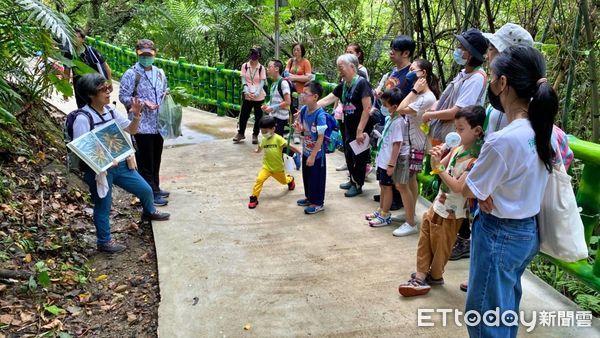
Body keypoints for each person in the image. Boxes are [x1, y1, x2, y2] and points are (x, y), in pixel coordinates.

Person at [462, 45, 558, 337]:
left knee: (483, 317)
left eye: (493, 76)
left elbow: (469, 188)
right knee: (503, 309)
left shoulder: (503, 140)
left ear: (503, 83)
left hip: (499, 233)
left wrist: (476, 183)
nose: (491, 83)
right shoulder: (542, 129)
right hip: (526, 231)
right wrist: (482, 186)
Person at [73, 74, 170, 253]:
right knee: (103, 204)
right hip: (100, 171)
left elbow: (131, 130)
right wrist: (105, 161)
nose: (108, 92)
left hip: (121, 164)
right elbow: (82, 148)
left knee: (145, 189)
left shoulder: (110, 110)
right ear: (90, 95)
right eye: (102, 89)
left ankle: (149, 212)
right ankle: (104, 241)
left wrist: (137, 114)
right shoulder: (83, 118)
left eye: (108, 87)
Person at [398, 105, 485, 296]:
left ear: (477, 131)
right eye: (456, 128)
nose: (457, 132)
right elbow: (437, 167)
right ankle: (420, 277)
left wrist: (439, 168)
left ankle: (435, 276)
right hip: (438, 204)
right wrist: (436, 157)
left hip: (454, 212)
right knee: (425, 238)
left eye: (461, 129)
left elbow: (458, 188)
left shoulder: (475, 161)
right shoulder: (457, 148)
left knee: (441, 247)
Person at [391, 59, 440, 235]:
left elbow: (401, 109)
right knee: (410, 182)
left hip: (414, 145)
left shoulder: (426, 97)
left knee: (403, 183)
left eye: (413, 70)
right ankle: (409, 212)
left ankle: (410, 223)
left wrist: (412, 90)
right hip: (411, 143)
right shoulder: (420, 95)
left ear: (423, 74)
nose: (410, 73)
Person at [119, 39, 170, 207]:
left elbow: (163, 89)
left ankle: (156, 186)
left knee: (156, 158)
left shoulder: (159, 72)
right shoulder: (131, 74)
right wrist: (142, 102)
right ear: (138, 54)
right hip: (141, 124)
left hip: (158, 124)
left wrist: (165, 95)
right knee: (145, 161)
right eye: (143, 55)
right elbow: (123, 96)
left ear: (154, 54)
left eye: (149, 54)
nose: (147, 57)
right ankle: (150, 193)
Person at [317, 54, 373, 197]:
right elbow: (329, 99)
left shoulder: (362, 83)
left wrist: (360, 130)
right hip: (347, 125)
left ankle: (358, 184)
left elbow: (367, 108)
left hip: (361, 127)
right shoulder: (344, 85)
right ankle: (352, 180)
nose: (339, 71)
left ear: (352, 67)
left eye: (341, 67)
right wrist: (310, 107)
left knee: (359, 157)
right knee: (349, 154)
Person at [373, 35, 417, 210]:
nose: (391, 52)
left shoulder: (411, 75)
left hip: (401, 122)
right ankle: (388, 193)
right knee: (386, 157)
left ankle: (398, 200)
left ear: (406, 53)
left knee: (397, 161)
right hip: (389, 118)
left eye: (395, 50)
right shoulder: (393, 71)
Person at [424, 28, 488, 147]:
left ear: (470, 54)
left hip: (453, 137)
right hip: (443, 133)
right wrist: (436, 106)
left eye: (462, 47)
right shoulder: (464, 73)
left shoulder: (476, 78)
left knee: (442, 165)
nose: (458, 49)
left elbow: (457, 111)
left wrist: (430, 115)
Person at [365, 88, 407, 227]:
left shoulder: (399, 122)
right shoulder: (390, 118)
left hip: (388, 161)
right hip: (382, 159)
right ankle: (381, 210)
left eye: (385, 105)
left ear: (395, 107)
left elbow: (397, 144)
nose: (382, 107)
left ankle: (385, 215)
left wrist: (391, 164)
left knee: (387, 187)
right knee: (382, 186)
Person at [248, 116, 301, 209]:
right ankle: (254, 198)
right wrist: (257, 150)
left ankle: (290, 179)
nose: (264, 134)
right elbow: (261, 146)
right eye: (262, 131)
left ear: (273, 129)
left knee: (284, 181)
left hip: (277, 168)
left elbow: (289, 145)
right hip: (267, 167)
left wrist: (299, 151)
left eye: (265, 131)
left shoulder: (278, 138)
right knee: (259, 180)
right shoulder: (264, 139)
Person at [294, 82, 328, 214]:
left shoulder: (320, 115)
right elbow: (304, 129)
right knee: (307, 176)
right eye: (302, 93)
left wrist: (313, 155)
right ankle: (309, 197)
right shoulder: (304, 110)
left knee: (316, 178)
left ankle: (318, 203)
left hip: (317, 154)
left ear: (315, 96)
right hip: (306, 149)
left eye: (306, 94)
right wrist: (300, 129)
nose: (303, 96)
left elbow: (321, 137)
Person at [64, 28, 113, 108]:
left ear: (83, 39)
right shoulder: (69, 54)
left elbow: (106, 67)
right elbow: (67, 72)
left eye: (76, 37)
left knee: (98, 106)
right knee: (82, 107)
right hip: (80, 85)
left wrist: (109, 81)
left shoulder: (92, 51)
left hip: (96, 84)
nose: (73, 40)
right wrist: (65, 90)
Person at [233, 46, 267, 144]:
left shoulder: (261, 68)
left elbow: (262, 82)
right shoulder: (245, 66)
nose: (253, 55)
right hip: (247, 94)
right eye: (252, 53)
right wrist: (245, 88)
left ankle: (255, 134)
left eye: (255, 53)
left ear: (259, 55)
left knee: (258, 116)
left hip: (258, 95)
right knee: (244, 114)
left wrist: (257, 92)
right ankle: (240, 133)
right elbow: (243, 78)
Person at [262, 60, 291, 136]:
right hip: (273, 117)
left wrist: (272, 108)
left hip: (281, 118)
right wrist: (267, 106)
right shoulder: (274, 84)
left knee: (278, 141)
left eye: (269, 67)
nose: (267, 69)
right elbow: (274, 100)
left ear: (277, 69)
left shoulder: (283, 83)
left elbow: (288, 102)